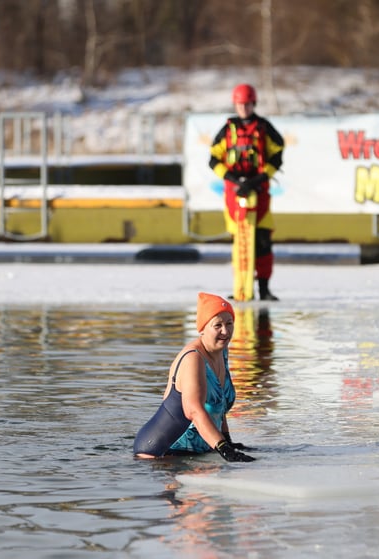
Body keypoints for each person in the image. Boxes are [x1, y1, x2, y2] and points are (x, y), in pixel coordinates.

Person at [133, 292, 254, 462]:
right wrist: (224, 449)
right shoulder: (193, 358)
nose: (225, 331)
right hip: (161, 455)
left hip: (196, 453)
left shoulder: (221, 351)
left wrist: (227, 441)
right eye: (217, 325)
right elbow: (193, 411)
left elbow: (218, 406)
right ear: (202, 328)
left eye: (229, 323)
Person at [209, 83, 285, 301]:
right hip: (235, 192)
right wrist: (234, 179)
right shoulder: (227, 129)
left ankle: (264, 289)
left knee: (262, 241)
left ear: (254, 104)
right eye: (240, 104)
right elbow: (213, 159)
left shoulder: (263, 127)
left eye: (248, 104)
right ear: (236, 104)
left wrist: (259, 179)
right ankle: (241, 287)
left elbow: (277, 155)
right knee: (240, 241)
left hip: (259, 191)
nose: (244, 108)